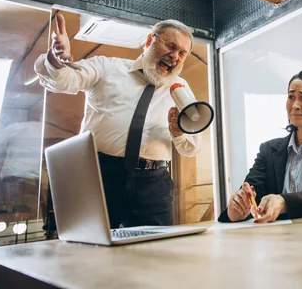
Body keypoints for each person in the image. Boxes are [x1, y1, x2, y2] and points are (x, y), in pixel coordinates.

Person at [35, 13, 201, 227]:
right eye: (171, 46)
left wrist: (179, 132)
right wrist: (56, 63)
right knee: (91, 250)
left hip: (154, 184)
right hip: (100, 176)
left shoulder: (181, 88)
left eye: (182, 53)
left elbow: (191, 148)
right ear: (150, 40)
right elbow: (65, 81)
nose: (175, 57)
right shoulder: (107, 67)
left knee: (155, 255)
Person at [219, 70, 302, 223]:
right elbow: (252, 197)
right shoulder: (268, 150)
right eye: (291, 97)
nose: (295, 105)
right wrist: (237, 210)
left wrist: (284, 202)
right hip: (277, 241)